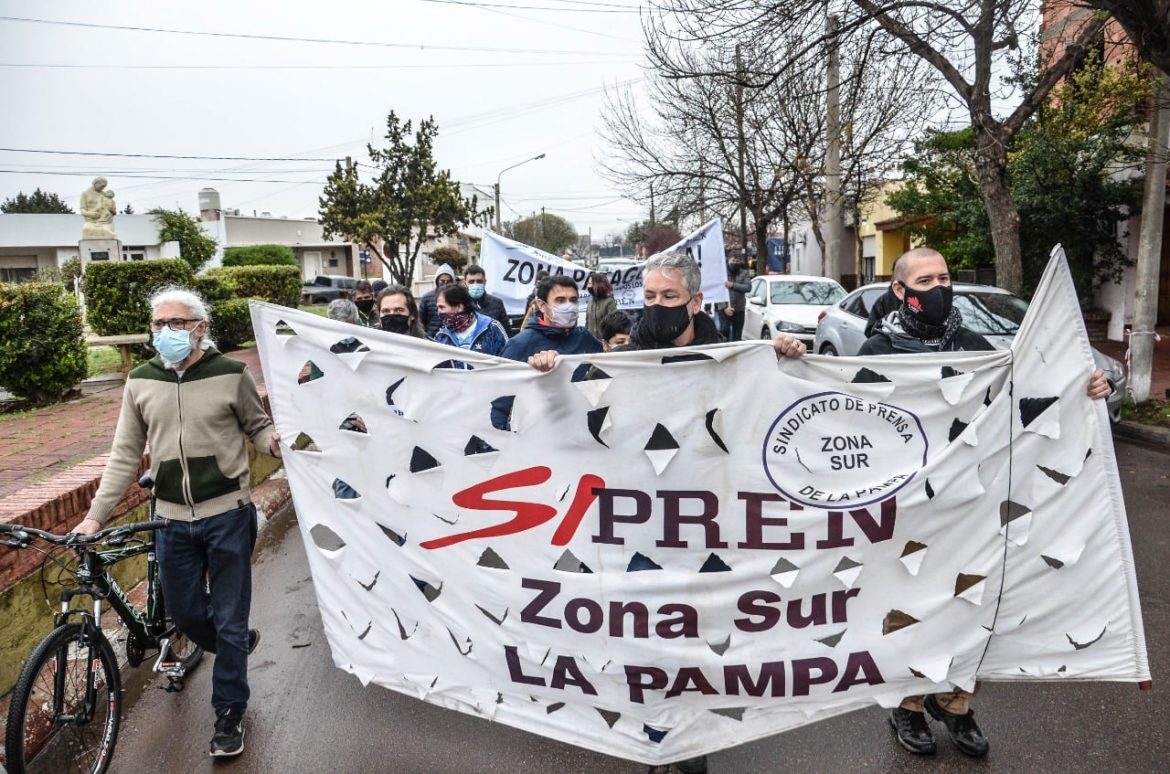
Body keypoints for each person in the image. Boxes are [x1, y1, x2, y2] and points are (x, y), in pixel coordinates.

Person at [526, 252, 805, 774]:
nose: (657, 307)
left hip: (704, 521)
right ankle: (655, 739)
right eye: (650, 297)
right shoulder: (624, 359)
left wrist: (783, 355)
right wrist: (549, 372)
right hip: (639, 523)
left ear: (696, 302)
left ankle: (691, 740)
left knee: (696, 633)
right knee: (645, 632)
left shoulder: (729, 357)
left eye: (669, 298)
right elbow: (576, 418)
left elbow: (766, 411)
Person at [863, 246, 1112, 759]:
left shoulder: (978, 347)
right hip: (908, 507)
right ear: (900, 290)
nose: (938, 288)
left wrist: (1084, 388)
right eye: (925, 281)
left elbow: (1028, 401)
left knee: (972, 602)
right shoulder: (877, 351)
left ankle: (955, 703)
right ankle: (908, 705)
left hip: (971, 503)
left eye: (944, 277)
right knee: (910, 606)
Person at [73, 286, 281, 758]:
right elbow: (126, 454)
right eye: (159, 325)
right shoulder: (142, 381)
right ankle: (233, 643)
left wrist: (275, 443)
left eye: (177, 324)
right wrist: (93, 517)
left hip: (227, 513)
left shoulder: (231, 374)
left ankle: (229, 712)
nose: (166, 332)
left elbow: (257, 426)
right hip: (169, 521)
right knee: (187, 614)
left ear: (201, 328)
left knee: (228, 619)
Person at [491, 275, 603, 429]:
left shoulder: (584, 337)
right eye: (560, 300)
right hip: (537, 437)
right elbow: (499, 403)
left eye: (573, 300)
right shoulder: (519, 345)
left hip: (580, 434)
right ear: (542, 306)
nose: (569, 306)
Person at [433, 283, 508, 365]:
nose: (438, 312)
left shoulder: (492, 328)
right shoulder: (441, 337)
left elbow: (508, 361)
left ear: (459, 307)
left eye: (442, 307)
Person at [463, 263, 512, 336]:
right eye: (471, 281)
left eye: (479, 281)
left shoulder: (497, 303)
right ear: (465, 283)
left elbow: (506, 333)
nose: (475, 284)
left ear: (485, 282)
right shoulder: (459, 304)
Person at [714, 254, 751, 342]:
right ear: (728, 261)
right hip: (724, 310)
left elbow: (748, 287)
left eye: (737, 261)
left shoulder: (744, 273)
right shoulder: (722, 273)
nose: (735, 263)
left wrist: (732, 285)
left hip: (739, 309)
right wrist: (724, 307)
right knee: (724, 332)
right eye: (733, 261)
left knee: (737, 336)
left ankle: (736, 354)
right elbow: (717, 292)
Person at [419, 263, 457, 337]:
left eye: (448, 281)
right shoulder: (426, 298)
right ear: (437, 281)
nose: (445, 284)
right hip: (431, 340)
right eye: (442, 281)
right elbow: (420, 322)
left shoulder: (458, 298)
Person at [584, 272, 618, 339]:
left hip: (605, 342)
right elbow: (587, 323)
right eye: (588, 283)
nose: (588, 286)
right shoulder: (590, 301)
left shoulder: (609, 302)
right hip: (592, 342)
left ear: (597, 285)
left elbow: (613, 325)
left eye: (590, 284)